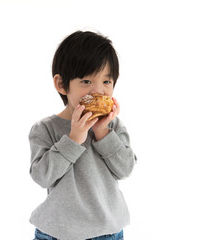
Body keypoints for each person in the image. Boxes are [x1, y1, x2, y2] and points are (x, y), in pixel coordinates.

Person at [29, 30, 137, 240]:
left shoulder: (113, 126)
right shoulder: (45, 129)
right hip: (57, 232)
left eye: (107, 82)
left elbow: (125, 169)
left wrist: (103, 133)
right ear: (62, 85)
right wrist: (74, 138)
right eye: (87, 82)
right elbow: (42, 177)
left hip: (107, 231)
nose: (99, 91)